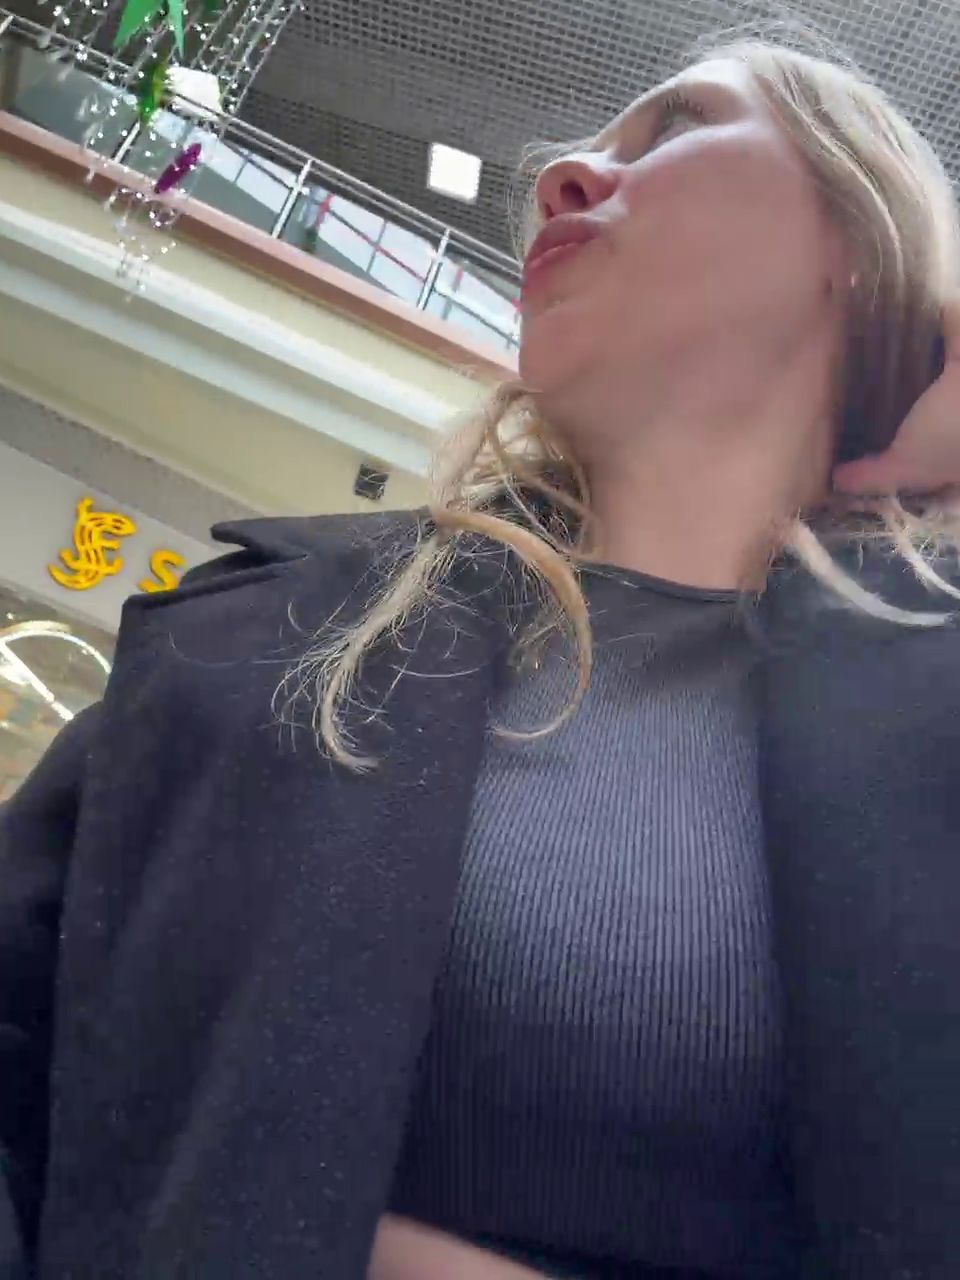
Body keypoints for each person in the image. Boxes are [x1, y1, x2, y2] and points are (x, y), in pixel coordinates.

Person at [3, 34, 960, 1280]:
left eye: (676, 130)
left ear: (857, 238)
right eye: (584, 151)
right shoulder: (255, 632)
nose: (562, 175)